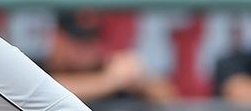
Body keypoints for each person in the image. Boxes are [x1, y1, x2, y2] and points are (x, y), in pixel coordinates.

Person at [41, 10, 175, 105]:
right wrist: (110, 81)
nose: (85, 49)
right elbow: (45, 93)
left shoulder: (108, 68)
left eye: (90, 39)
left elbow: (167, 96)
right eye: (78, 40)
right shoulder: (36, 67)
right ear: (56, 38)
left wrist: (142, 81)